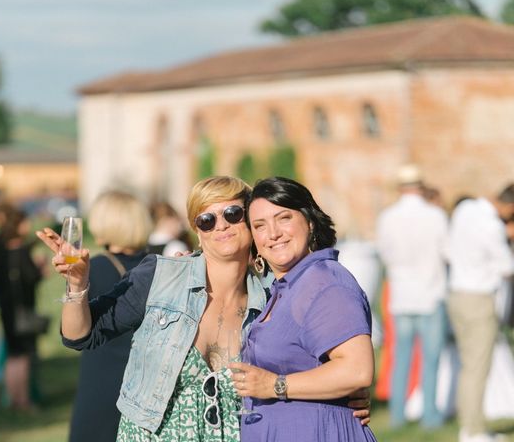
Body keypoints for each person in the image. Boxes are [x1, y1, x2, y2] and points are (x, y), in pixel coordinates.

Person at [37, 176, 370, 441]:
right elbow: (82, 334)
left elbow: (327, 361)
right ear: (197, 231)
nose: (221, 225)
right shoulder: (161, 276)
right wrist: (78, 286)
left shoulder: (274, 294)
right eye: (207, 219)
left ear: (250, 224)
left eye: (233, 214)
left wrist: (348, 399)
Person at [229, 176, 377, 441]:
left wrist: (274, 385)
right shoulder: (284, 286)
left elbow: (357, 370)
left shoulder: (325, 281)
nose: (273, 233)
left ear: (309, 222)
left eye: (284, 218)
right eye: (260, 225)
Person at [68, 190, 153, 442]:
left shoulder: (92, 267)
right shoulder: (156, 264)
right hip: (146, 381)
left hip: (102, 379)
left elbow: (75, 330)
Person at [375, 164, 448, 428]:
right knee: (431, 359)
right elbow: (446, 251)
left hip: (401, 293)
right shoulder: (436, 216)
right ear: (420, 186)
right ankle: (430, 416)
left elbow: (384, 254)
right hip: (431, 292)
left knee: (401, 357)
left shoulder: (388, 217)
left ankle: (398, 414)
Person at [447, 183, 514, 442]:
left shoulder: (465, 209)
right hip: (479, 298)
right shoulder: (492, 226)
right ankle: (473, 431)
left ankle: (472, 426)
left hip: (456, 294)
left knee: (469, 366)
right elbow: (507, 267)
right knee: (478, 367)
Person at [0, 203, 46, 411]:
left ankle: (11, 398)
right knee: (24, 356)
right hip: (23, 308)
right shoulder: (22, 251)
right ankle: (24, 400)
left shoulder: (1, 250)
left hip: (6, 308)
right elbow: (31, 278)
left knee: (12, 355)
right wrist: (40, 268)